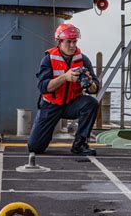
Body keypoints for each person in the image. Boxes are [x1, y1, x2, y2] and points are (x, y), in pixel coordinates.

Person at [28, 23, 100, 156]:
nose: (73, 45)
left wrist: (89, 83)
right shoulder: (48, 60)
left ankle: (80, 144)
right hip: (51, 105)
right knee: (35, 147)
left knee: (91, 103)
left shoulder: (83, 60)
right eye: (69, 42)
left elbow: (95, 88)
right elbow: (43, 87)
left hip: (72, 104)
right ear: (59, 42)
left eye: (75, 41)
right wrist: (64, 77)